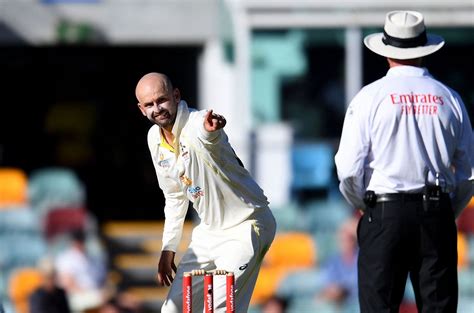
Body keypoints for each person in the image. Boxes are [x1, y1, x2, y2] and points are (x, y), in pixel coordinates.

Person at [335, 10, 473, 313]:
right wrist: (448, 209)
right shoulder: (449, 98)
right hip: (435, 211)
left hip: (384, 213)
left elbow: (347, 168)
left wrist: (364, 204)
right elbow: (468, 173)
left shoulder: (369, 97)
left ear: (386, 53)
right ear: (424, 50)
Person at [135, 72, 277, 312]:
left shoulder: (198, 122)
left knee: (217, 309)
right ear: (141, 109)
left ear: (176, 95)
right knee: (171, 309)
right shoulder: (154, 139)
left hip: (246, 226)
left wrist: (212, 131)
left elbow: (208, 135)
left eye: (162, 100)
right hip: (209, 232)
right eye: (149, 104)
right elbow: (174, 196)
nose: (157, 108)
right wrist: (168, 247)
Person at [317, 217, 358, 306]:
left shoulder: (361, 258)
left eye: (348, 239)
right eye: (342, 239)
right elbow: (328, 285)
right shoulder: (333, 261)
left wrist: (343, 290)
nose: (344, 242)